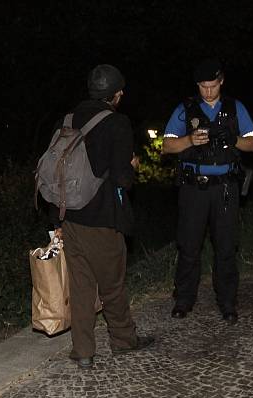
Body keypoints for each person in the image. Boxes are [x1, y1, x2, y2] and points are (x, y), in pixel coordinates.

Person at [50, 64, 154, 369]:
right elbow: (123, 179)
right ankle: (123, 340)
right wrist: (132, 166)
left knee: (81, 287)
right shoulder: (117, 123)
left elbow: (55, 173)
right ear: (117, 94)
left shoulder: (65, 119)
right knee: (112, 284)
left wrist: (56, 222)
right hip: (103, 219)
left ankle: (83, 351)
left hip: (69, 218)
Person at [162, 58, 253, 322]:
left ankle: (227, 303)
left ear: (221, 81)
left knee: (226, 248)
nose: (207, 92)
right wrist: (189, 140)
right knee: (189, 246)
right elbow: (166, 145)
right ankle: (183, 300)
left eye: (212, 86)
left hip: (226, 188)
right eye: (203, 86)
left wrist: (235, 140)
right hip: (194, 189)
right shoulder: (186, 108)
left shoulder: (235, 108)